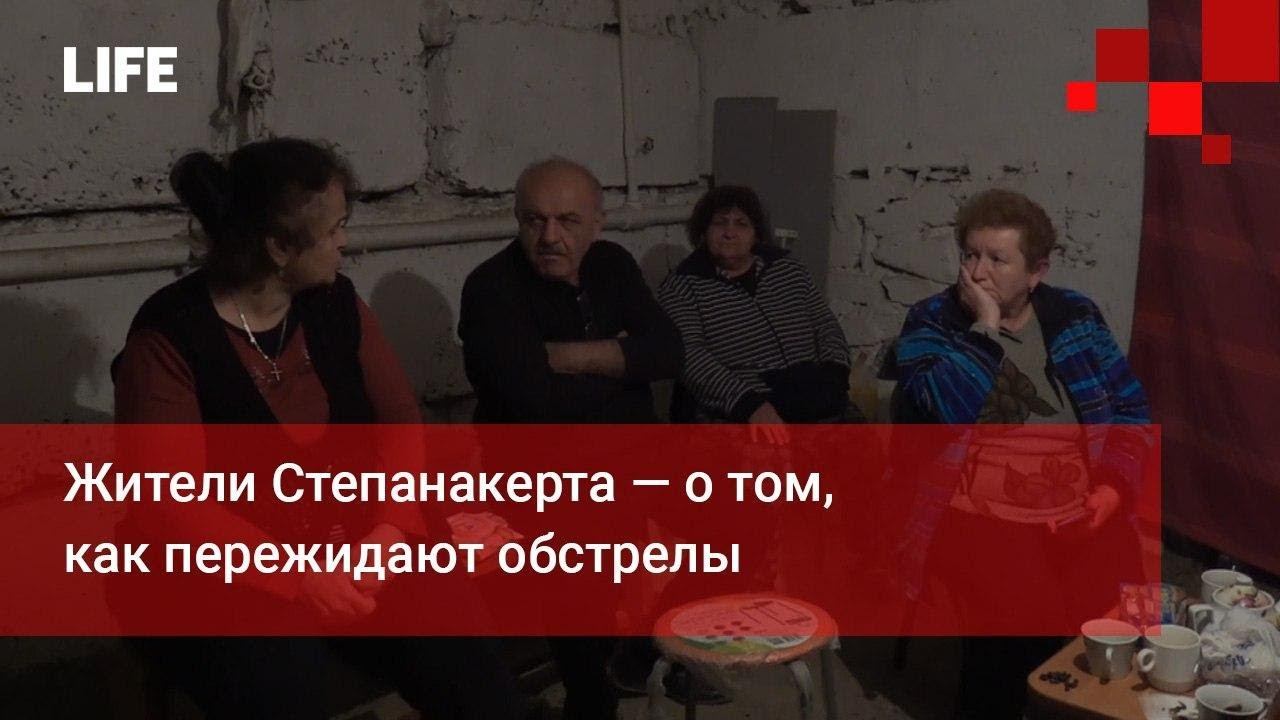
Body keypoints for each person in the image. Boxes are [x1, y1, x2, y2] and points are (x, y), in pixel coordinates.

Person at [112, 138, 522, 719]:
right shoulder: (171, 334)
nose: (345, 243)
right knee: (280, 677)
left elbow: (400, 421)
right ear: (280, 247)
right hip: (224, 567)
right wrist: (300, 579)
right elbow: (171, 504)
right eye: (334, 231)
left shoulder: (334, 304)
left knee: (459, 643)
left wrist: (389, 529)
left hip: (350, 539)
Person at [880, 188, 1151, 719]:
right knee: (1018, 625)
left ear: (1036, 271)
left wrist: (1112, 490)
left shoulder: (1075, 316)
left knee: (1125, 615)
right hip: (970, 515)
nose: (977, 272)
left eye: (997, 259)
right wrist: (984, 329)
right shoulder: (932, 321)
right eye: (970, 255)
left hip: (1078, 504)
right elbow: (944, 409)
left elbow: (1131, 409)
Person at [457, 157, 683, 719]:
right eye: (534, 220)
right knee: (579, 555)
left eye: (567, 220)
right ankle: (592, 698)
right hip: (540, 473)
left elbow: (667, 352)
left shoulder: (612, 263)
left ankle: (650, 650)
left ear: (597, 223)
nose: (550, 236)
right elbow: (532, 398)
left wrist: (566, 358)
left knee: (741, 506)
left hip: (630, 457)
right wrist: (622, 362)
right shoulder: (491, 288)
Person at [658, 185, 856, 436]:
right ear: (703, 232)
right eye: (719, 223)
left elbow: (825, 325)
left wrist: (835, 372)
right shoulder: (683, 286)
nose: (729, 233)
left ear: (755, 234)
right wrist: (748, 404)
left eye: (741, 224)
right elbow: (690, 355)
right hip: (745, 405)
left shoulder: (788, 269)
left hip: (813, 393)